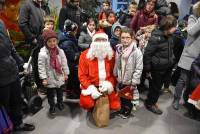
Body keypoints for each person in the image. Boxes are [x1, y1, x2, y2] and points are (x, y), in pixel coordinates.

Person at [0, 0, 35, 131]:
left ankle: (18, 123)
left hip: (11, 69)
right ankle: (6, 127)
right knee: (4, 105)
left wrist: (21, 63)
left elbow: (10, 46)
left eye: (2, 6)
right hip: (1, 76)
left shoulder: (1, 23)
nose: (2, 8)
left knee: (16, 100)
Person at [78, 31, 121, 111]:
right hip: (91, 85)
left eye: (103, 40)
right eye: (98, 40)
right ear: (93, 42)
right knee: (87, 103)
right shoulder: (85, 55)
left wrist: (109, 84)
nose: (101, 42)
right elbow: (82, 75)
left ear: (107, 42)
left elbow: (115, 74)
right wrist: (91, 88)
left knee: (115, 105)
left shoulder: (112, 55)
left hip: (106, 84)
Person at [143, 15, 177, 115]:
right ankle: (150, 104)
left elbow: (170, 50)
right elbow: (147, 54)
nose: (176, 28)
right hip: (156, 68)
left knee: (157, 87)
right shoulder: (156, 37)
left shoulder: (170, 37)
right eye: (174, 26)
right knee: (155, 87)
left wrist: (172, 59)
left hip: (165, 67)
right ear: (168, 27)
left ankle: (152, 101)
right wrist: (148, 69)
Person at [173, 1, 200, 111]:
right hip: (189, 55)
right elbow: (191, 31)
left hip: (198, 58)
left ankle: (187, 99)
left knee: (192, 82)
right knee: (183, 79)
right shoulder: (193, 18)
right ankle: (176, 99)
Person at [38, 30, 69, 116]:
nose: (52, 43)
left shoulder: (60, 51)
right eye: (49, 41)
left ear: (57, 41)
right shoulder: (43, 54)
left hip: (59, 75)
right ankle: (52, 106)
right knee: (50, 94)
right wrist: (44, 78)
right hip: (49, 77)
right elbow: (41, 67)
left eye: (54, 41)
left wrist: (66, 73)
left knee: (60, 91)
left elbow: (64, 63)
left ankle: (60, 102)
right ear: (45, 42)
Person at [114, 27, 143, 118]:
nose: (125, 40)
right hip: (121, 78)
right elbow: (117, 63)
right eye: (123, 37)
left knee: (128, 97)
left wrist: (134, 81)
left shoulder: (136, 52)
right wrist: (115, 73)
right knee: (122, 95)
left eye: (127, 38)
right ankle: (122, 108)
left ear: (132, 38)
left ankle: (127, 111)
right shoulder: (119, 49)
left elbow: (138, 69)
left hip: (130, 80)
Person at [59, 19, 81, 99]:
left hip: (70, 64)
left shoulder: (70, 39)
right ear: (71, 31)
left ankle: (73, 91)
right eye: (75, 31)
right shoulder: (67, 42)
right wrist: (80, 54)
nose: (76, 33)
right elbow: (73, 57)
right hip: (69, 65)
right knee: (73, 78)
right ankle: (71, 93)